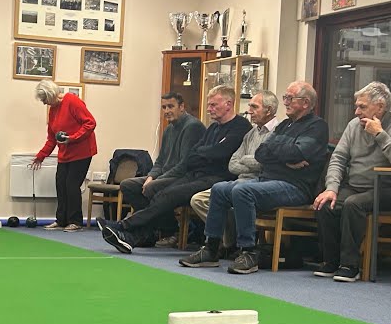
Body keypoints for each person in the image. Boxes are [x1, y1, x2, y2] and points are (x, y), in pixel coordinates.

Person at [179, 82, 329, 274]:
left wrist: (279, 153)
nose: (285, 102)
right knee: (219, 189)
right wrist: (285, 158)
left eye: (290, 98)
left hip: (296, 186)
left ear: (306, 103)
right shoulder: (284, 125)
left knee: (243, 191)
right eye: (285, 98)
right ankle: (211, 249)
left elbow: (298, 152)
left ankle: (248, 251)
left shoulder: (317, 126)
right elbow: (261, 153)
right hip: (268, 180)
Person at [98, 85, 250, 253]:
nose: (209, 109)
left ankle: (125, 228)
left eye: (213, 105)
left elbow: (221, 153)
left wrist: (204, 153)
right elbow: (193, 156)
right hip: (197, 175)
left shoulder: (241, 126)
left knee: (167, 194)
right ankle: (135, 234)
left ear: (228, 104)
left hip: (218, 178)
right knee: (161, 193)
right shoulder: (213, 128)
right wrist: (206, 154)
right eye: (208, 105)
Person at [311, 81, 391, 283]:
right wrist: (331, 188)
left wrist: (379, 134)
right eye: (356, 106)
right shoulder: (353, 125)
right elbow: (338, 158)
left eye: (362, 107)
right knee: (326, 203)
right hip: (356, 186)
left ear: (380, 106)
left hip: (390, 189)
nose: (356, 112)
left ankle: (350, 265)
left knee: (354, 204)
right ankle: (331, 261)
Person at [187, 90, 279, 254]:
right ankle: (220, 244)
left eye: (254, 107)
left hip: (262, 182)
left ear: (269, 110)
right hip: (241, 180)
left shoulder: (278, 132)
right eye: (250, 106)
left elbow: (266, 162)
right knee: (202, 198)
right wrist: (252, 161)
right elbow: (233, 163)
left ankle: (242, 247)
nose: (249, 111)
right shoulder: (251, 133)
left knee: (238, 192)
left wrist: (247, 159)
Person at [119, 93, 206, 246]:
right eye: (164, 107)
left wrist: (156, 180)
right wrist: (151, 177)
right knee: (128, 185)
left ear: (181, 107)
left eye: (170, 106)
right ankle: (153, 229)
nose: (166, 111)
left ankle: (170, 231)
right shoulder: (169, 129)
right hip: (167, 175)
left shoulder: (192, 127)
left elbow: (185, 164)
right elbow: (160, 161)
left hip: (184, 177)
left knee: (153, 187)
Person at [31, 79, 97, 232]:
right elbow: (52, 138)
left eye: (44, 99)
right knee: (61, 185)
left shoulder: (72, 101)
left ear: (51, 95)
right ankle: (61, 220)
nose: (44, 103)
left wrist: (72, 138)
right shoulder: (52, 110)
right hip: (65, 154)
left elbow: (90, 123)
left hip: (82, 152)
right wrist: (41, 156)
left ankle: (75, 222)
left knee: (71, 185)